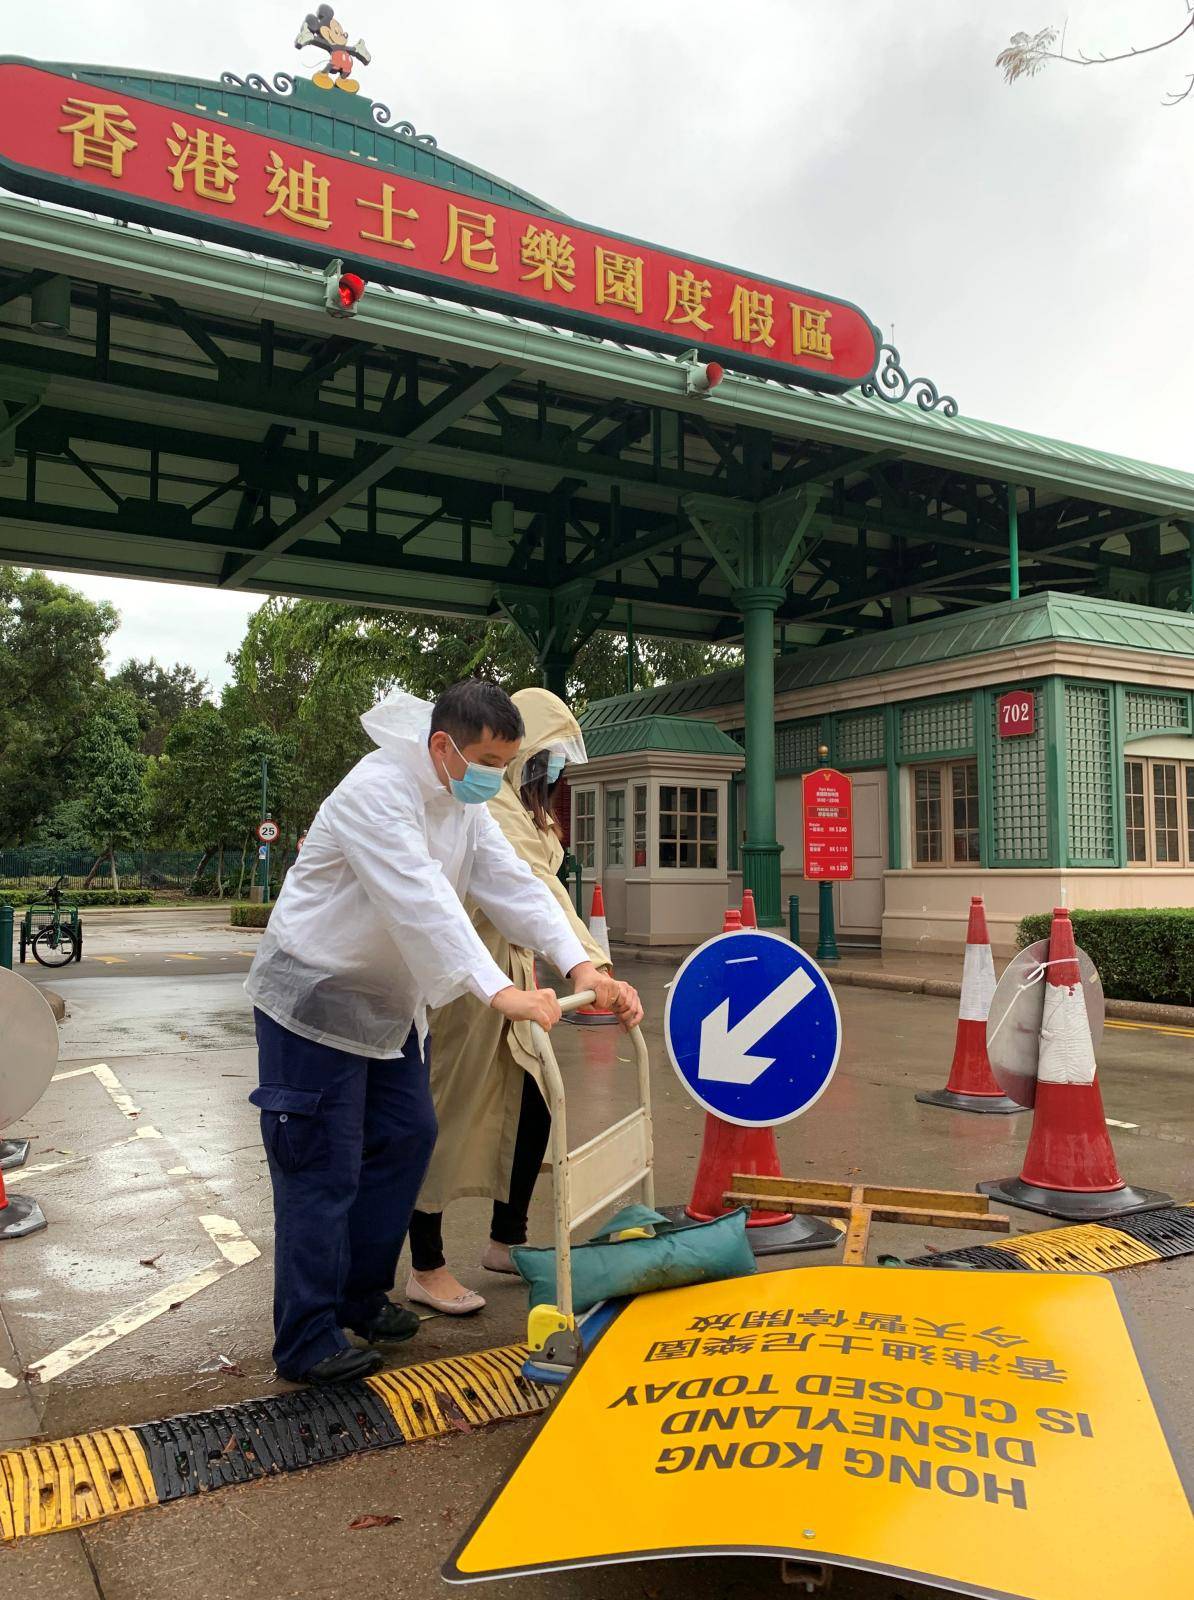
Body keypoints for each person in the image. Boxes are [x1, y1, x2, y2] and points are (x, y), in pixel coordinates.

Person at [244, 680, 638, 1387]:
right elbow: (420, 898)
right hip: (315, 1002)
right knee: (321, 1167)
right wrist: (502, 991)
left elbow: (512, 883)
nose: (497, 775)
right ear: (442, 745)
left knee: (407, 1139)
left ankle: (361, 1300)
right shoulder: (378, 791)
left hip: (392, 1006)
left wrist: (582, 962)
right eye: (488, 759)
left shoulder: (465, 802)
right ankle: (305, 1337)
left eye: (506, 761)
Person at [407, 689, 641, 1314]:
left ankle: (504, 1239)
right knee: (446, 1115)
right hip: (470, 983)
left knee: (534, 1106)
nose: (557, 767)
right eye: (549, 754)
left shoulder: (522, 808)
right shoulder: (497, 810)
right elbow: (537, 890)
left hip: (515, 978)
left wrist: (588, 967)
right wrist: (594, 968)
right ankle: (425, 1265)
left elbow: (540, 899)